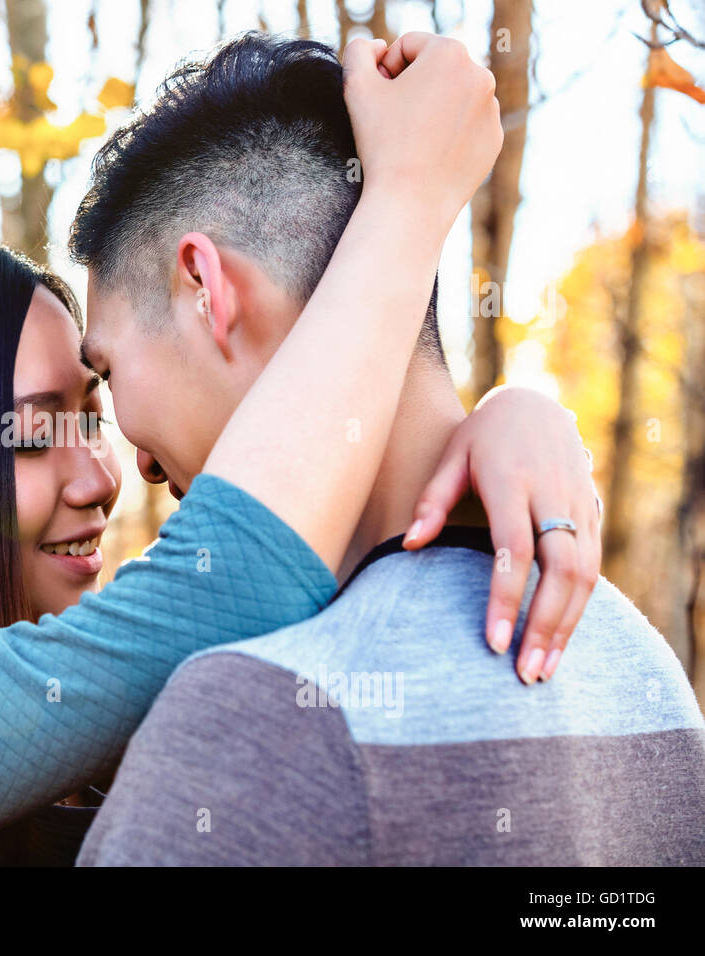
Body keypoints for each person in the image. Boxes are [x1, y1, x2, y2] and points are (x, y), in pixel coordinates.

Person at [0, 32, 593, 867]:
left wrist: (497, 426)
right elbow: (235, 587)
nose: (109, 475)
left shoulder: (101, 743)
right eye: (37, 433)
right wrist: (412, 196)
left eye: (94, 413)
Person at [71, 32, 705, 867]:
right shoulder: (646, 671)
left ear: (205, 290)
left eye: (108, 369)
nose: (138, 465)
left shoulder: (253, 719)